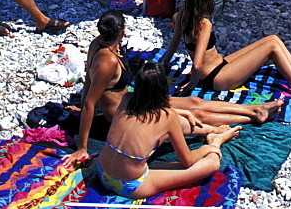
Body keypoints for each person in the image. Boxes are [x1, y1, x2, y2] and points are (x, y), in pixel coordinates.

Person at [62, 11, 283, 167]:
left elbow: (88, 83)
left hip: (134, 99)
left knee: (194, 103)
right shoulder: (108, 61)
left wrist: (81, 109)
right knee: (193, 117)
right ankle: (251, 116)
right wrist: (82, 146)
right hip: (126, 112)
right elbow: (92, 98)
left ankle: (255, 110)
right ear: (122, 31)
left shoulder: (98, 44)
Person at [163, 0, 291, 99]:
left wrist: (162, 65)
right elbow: (198, 64)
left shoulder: (181, 14)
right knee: (272, 48)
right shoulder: (204, 23)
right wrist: (191, 86)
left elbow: (174, 42)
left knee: (273, 39)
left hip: (218, 67)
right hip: (216, 79)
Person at [93, 59, 240, 198]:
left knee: (172, 121)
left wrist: (185, 112)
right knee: (212, 164)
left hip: (101, 171)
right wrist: (208, 149)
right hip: (130, 186)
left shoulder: (126, 99)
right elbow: (187, 161)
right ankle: (216, 140)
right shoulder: (167, 117)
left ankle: (210, 129)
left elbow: (151, 111)